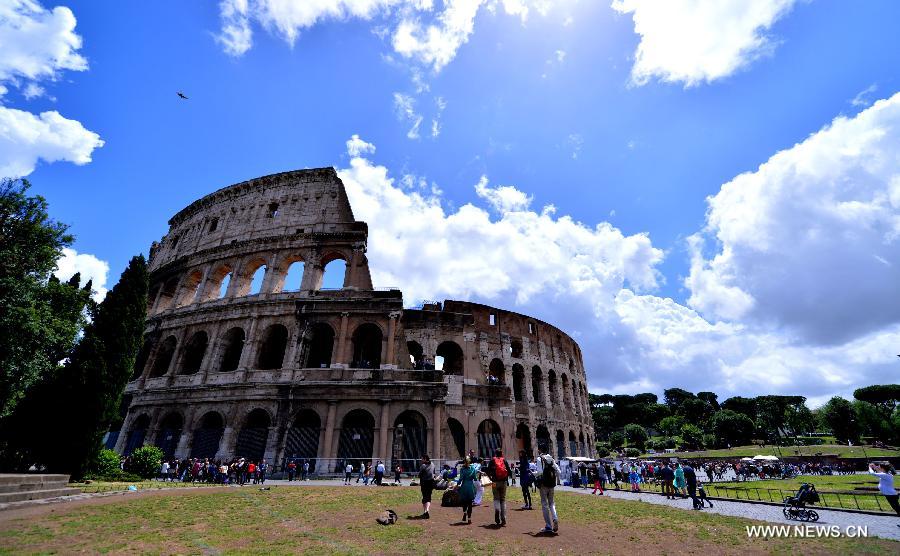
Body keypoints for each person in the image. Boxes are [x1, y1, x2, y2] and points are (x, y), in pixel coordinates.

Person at [486, 448, 511, 526]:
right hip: (503, 482)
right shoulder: (504, 461)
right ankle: (503, 518)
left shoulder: (492, 461)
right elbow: (509, 472)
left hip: (494, 482)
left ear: (495, 454)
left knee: (496, 498)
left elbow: (487, 471)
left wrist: (491, 478)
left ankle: (497, 512)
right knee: (502, 499)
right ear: (501, 453)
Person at [537, 453, 561, 534]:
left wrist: (533, 474)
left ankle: (548, 526)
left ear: (540, 450)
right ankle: (555, 518)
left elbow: (540, 472)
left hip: (543, 485)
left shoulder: (540, 459)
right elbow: (559, 471)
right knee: (552, 503)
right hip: (551, 484)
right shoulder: (551, 458)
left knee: (544, 504)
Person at [455, 457, 478, 524]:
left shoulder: (462, 469)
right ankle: (469, 519)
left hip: (464, 486)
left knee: (464, 502)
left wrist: (457, 485)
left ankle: (465, 513)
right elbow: (475, 478)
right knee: (470, 503)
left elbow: (461, 479)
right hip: (471, 487)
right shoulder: (473, 468)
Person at [418, 454, 436, 519]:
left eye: (422, 459)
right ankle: (427, 510)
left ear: (425, 459)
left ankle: (425, 511)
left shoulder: (423, 466)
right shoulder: (433, 464)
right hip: (431, 483)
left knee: (424, 497)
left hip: (424, 483)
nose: (421, 460)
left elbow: (419, 475)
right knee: (428, 497)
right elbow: (434, 473)